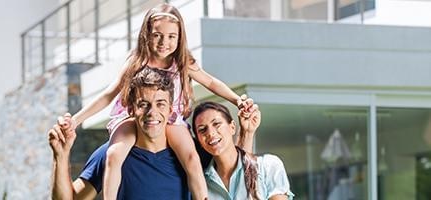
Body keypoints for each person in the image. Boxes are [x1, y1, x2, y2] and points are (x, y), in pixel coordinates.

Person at [58, 3, 253, 199]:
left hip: (172, 118)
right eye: (157, 35)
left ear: (180, 37)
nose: (163, 42)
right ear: (146, 34)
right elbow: (108, 94)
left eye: (171, 36)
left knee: (192, 158)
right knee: (113, 155)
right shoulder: (136, 62)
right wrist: (76, 120)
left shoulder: (183, 61)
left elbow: (211, 82)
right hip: (132, 117)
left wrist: (237, 100)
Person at [49, 67, 191, 199]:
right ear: (131, 110)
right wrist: (61, 156)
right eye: (143, 104)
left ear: (170, 111)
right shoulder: (109, 152)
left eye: (160, 104)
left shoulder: (189, 155)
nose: (152, 113)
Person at [192, 102, 295, 200]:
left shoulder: (268, 166)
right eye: (202, 129)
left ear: (232, 127)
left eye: (216, 124)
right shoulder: (201, 185)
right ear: (199, 140)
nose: (210, 133)